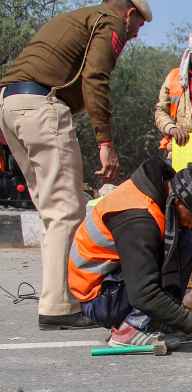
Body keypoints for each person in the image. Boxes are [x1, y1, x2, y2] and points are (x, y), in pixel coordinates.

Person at [0, 0, 152, 331]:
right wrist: (105, 142)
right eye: (139, 25)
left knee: (52, 210)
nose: (137, 34)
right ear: (129, 14)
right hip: (41, 105)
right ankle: (59, 306)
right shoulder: (110, 23)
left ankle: (55, 296)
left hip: (11, 103)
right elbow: (95, 78)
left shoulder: (78, 17)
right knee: (66, 210)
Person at [68, 159, 192, 351]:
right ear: (179, 201)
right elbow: (144, 293)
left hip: (117, 282)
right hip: (100, 297)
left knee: (190, 234)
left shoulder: (172, 187)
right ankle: (130, 330)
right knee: (185, 236)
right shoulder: (139, 219)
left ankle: (160, 319)